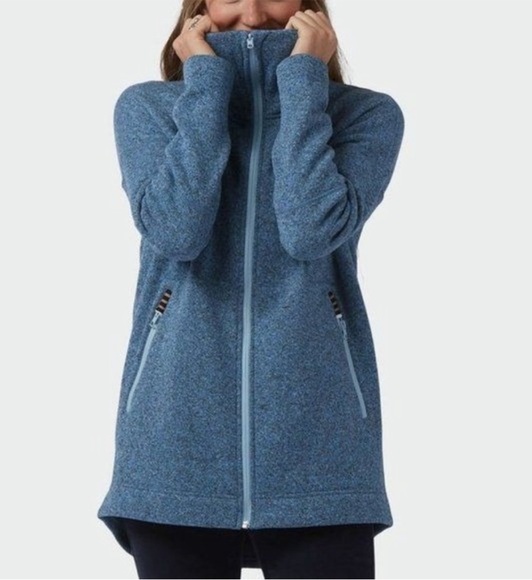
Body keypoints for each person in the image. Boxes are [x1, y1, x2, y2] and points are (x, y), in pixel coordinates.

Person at [97, 0, 405, 578]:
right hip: (174, 443)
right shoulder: (148, 108)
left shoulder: (366, 115)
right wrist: (206, 85)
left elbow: (310, 230)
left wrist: (303, 83)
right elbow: (177, 230)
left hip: (320, 445)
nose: (255, 12)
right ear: (199, 6)